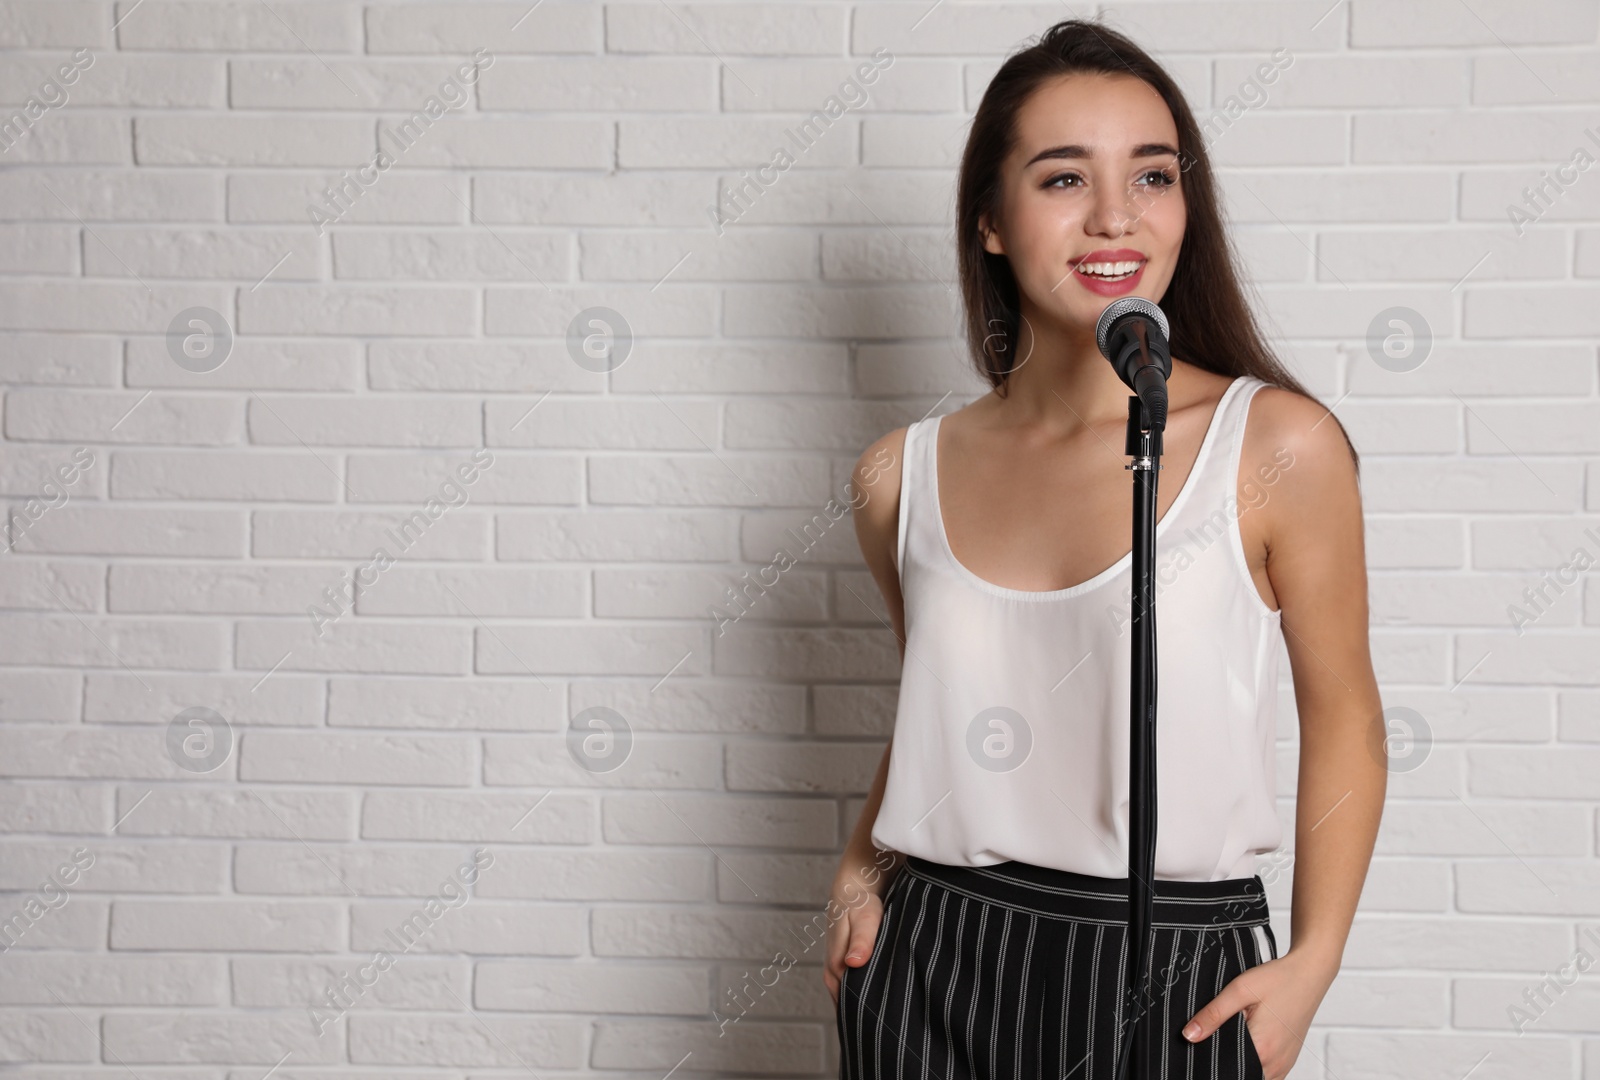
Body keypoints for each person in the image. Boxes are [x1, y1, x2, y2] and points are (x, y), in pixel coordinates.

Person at [826, 18, 1385, 1080]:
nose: (1115, 215)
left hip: (1173, 972)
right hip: (927, 960)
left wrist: (1312, 959)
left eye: (1153, 174)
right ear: (989, 221)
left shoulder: (1274, 446)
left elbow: (1347, 717)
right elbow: (942, 714)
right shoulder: (899, 474)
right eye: (1062, 179)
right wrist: (859, 867)